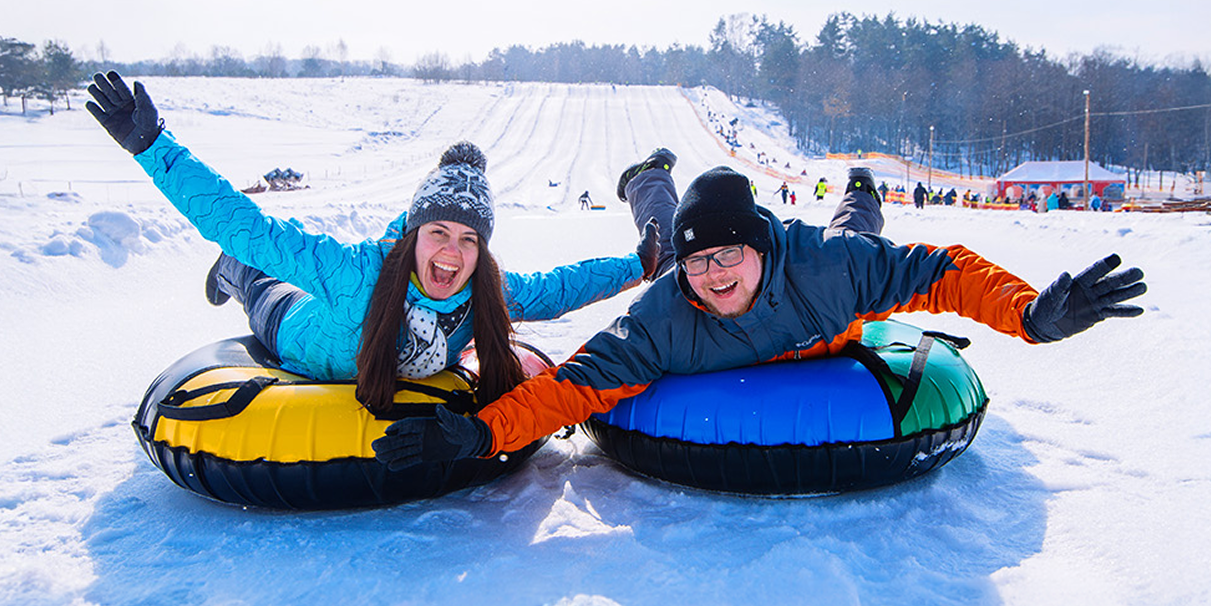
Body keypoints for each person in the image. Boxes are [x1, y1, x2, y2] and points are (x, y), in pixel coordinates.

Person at [373, 155, 1146, 469]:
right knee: (662, 246)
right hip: (699, 271)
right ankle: (649, 181)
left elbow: (939, 272)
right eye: (702, 262)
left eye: (728, 256)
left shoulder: (822, 269)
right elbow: (574, 385)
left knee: (857, 234)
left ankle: (862, 191)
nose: (714, 275)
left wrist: (1030, 316)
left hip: (830, 289)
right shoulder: (669, 313)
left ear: (762, 247)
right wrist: (479, 433)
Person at [85, 72, 656, 414]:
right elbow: (248, 227)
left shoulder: (485, 292)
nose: (452, 254)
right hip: (295, 329)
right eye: (437, 233)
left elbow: (559, 288)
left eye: (467, 239)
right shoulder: (357, 272)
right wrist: (152, 147)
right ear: (412, 237)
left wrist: (637, 263)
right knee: (256, 271)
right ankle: (234, 272)